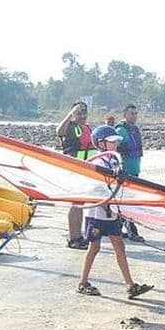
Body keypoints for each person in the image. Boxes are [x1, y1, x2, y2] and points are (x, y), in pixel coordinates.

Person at [76, 125, 155, 299]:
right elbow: (96, 187)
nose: (115, 145)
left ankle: (130, 285)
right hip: (98, 212)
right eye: (112, 142)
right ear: (101, 144)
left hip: (111, 212)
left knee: (120, 246)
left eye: (116, 142)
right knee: (94, 247)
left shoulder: (114, 161)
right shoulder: (97, 162)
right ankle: (82, 282)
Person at [56, 101, 97, 250]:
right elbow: (59, 132)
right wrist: (70, 114)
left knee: (80, 204)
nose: (82, 116)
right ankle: (73, 238)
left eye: (84, 113)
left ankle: (78, 236)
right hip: (73, 171)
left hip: (84, 172)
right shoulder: (70, 127)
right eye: (79, 113)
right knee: (75, 204)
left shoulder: (87, 128)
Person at [114, 103, 145, 242]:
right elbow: (116, 148)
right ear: (124, 115)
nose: (134, 116)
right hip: (125, 170)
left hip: (134, 169)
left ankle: (118, 229)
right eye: (131, 113)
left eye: (135, 113)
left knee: (125, 202)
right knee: (127, 202)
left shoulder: (133, 129)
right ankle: (132, 231)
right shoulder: (121, 130)